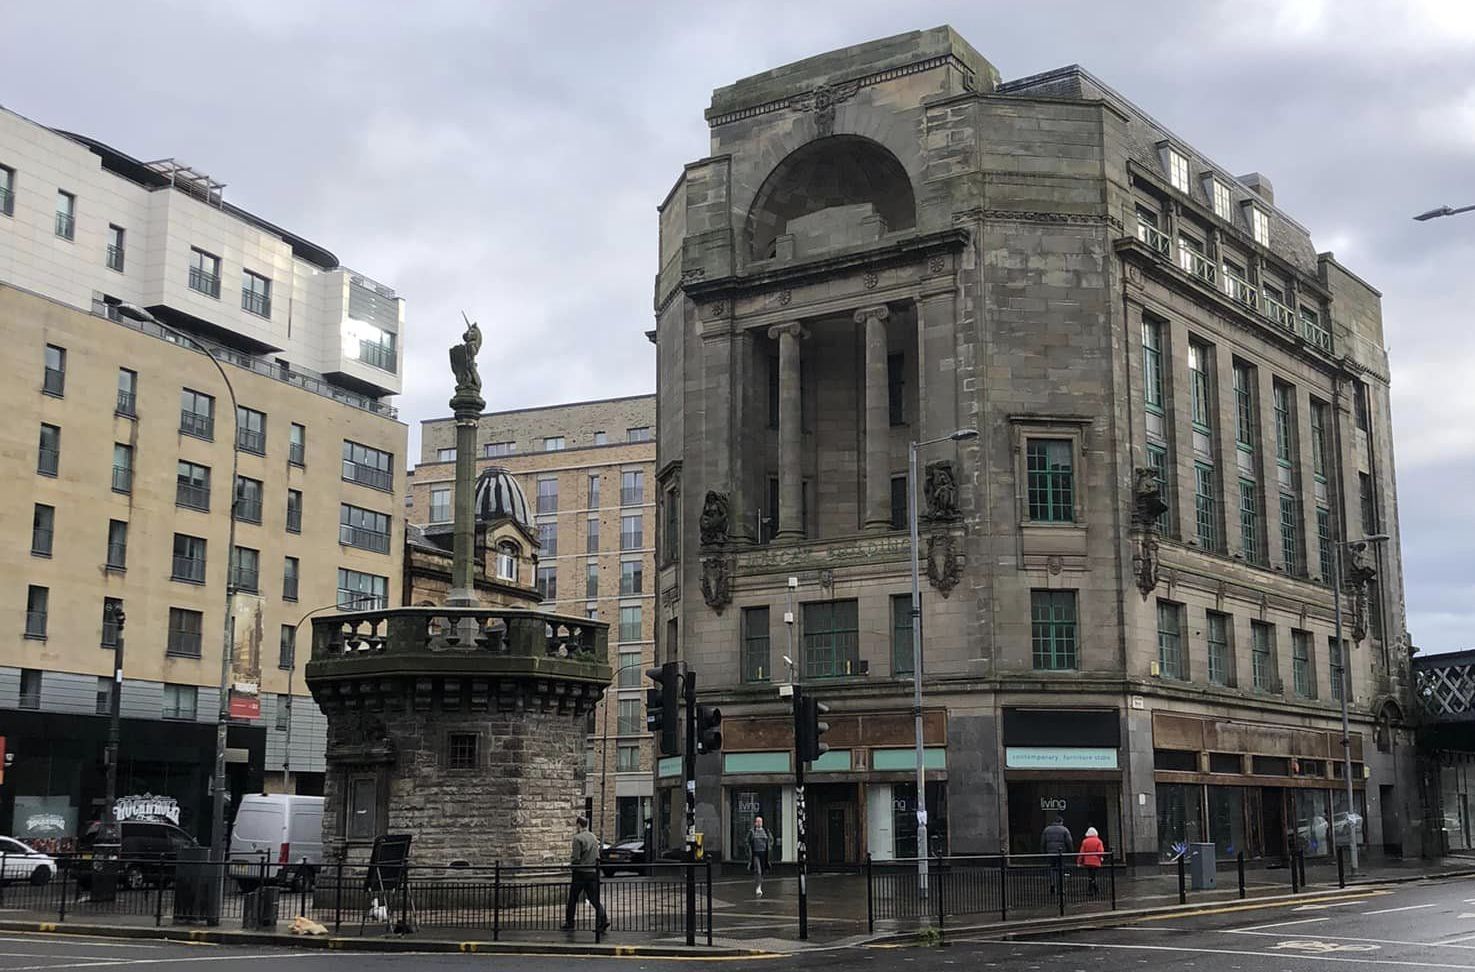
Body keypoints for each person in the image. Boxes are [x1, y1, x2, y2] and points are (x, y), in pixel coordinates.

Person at [561, 816, 609, 933]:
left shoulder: (577, 838)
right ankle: (603, 920)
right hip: (592, 872)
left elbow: (576, 858)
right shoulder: (593, 837)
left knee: (573, 898)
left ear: (578, 825)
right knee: (594, 899)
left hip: (580, 873)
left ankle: (570, 923)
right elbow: (597, 855)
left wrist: (570, 863)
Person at [1041, 815, 1074, 894]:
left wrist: (1043, 853)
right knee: (1061, 870)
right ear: (1061, 822)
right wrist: (1071, 852)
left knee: (1052, 869)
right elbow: (1069, 842)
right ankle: (1060, 889)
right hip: (1061, 854)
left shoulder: (1046, 830)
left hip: (1050, 853)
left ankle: (1052, 885)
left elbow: (1042, 843)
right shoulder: (1064, 830)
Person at [748, 816, 772, 898]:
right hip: (756, 854)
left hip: (764, 854)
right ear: (755, 823)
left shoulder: (766, 831)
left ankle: (759, 885)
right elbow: (747, 841)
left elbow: (771, 840)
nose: (759, 823)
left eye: (760, 821)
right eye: (757, 822)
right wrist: (749, 850)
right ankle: (758, 888)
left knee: (762, 871)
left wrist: (769, 847)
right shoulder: (752, 831)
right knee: (758, 871)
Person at [1076, 826, 1105, 894]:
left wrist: (1079, 862)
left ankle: (1093, 889)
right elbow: (1100, 851)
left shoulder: (1085, 841)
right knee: (1093, 875)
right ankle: (1093, 889)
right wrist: (1101, 857)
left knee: (1091, 875)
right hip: (1096, 862)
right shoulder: (1099, 841)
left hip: (1087, 862)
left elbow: (1082, 852)